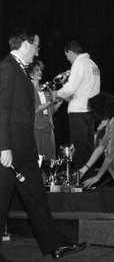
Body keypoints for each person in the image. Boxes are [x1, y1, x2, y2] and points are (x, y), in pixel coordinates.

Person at [0, 28, 87, 260]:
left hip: (25, 147)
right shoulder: (8, 67)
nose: (37, 51)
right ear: (26, 45)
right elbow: (2, 109)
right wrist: (4, 147)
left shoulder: (20, 70)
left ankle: (54, 244)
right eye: (36, 46)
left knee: (37, 197)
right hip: (10, 150)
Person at [52, 41, 100, 170]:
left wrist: (56, 93)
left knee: (78, 145)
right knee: (89, 144)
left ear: (70, 51)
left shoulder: (79, 64)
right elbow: (86, 88)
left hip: (79, 110)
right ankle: (88, 175)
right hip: (91, 109)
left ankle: (80, 177)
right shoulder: (92, 64)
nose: (67, 58)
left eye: (66, 55)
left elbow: (71, 87)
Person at [28, 59, 63, 160]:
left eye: (41, 70)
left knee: (50, 155)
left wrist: (61, 100)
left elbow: (52, 110)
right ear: (31, 73)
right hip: (36, 126)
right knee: (39, 155)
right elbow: (36, 109)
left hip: (48, 125)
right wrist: (51, 102)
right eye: (37, 70)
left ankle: (49, 176)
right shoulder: (29, 89)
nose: (40, 72)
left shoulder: (45, 89)